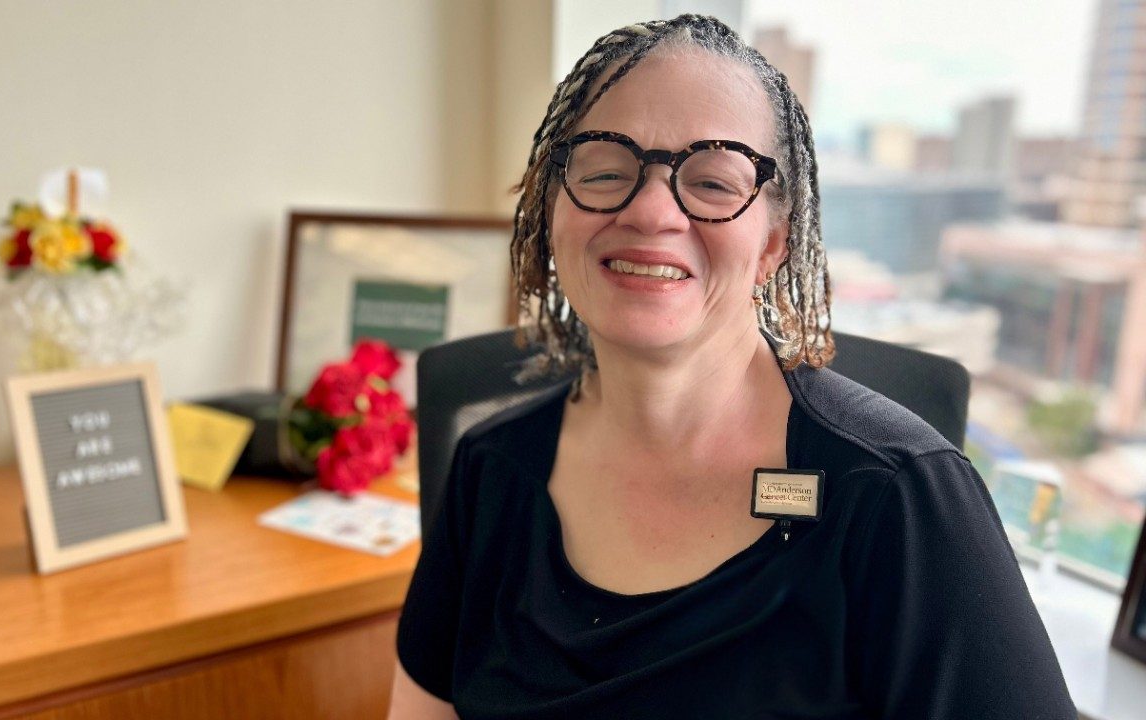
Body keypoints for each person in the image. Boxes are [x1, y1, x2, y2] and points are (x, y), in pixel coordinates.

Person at [388, 14, 1077, 720]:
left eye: (713, 183)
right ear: (552, 207)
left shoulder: (898, 497)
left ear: (773, 243)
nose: (653, 210)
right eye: (605, 168)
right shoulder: (489, 469)